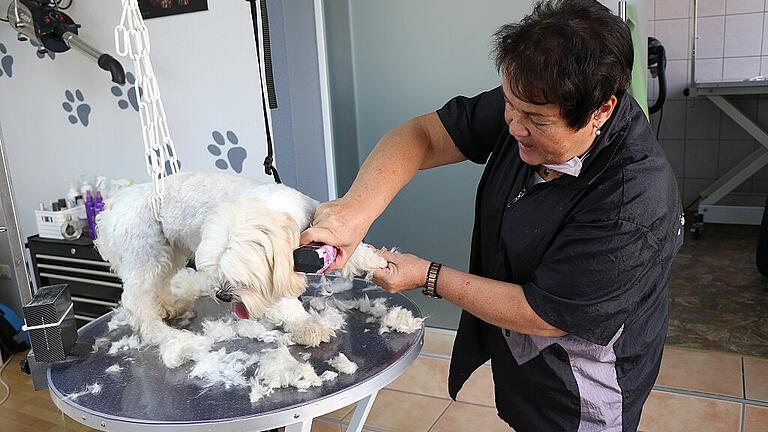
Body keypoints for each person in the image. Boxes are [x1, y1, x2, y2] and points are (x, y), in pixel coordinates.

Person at [300, 0, 683, 430]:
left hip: (584, 377)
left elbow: (545, 314)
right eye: (509, 104)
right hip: (521, 351)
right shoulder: (532, 99)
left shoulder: (633, 201)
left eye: (536, 120)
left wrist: (428, 276)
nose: (514, 126)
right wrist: (355, 211)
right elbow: (422, 136)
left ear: (601, 111)